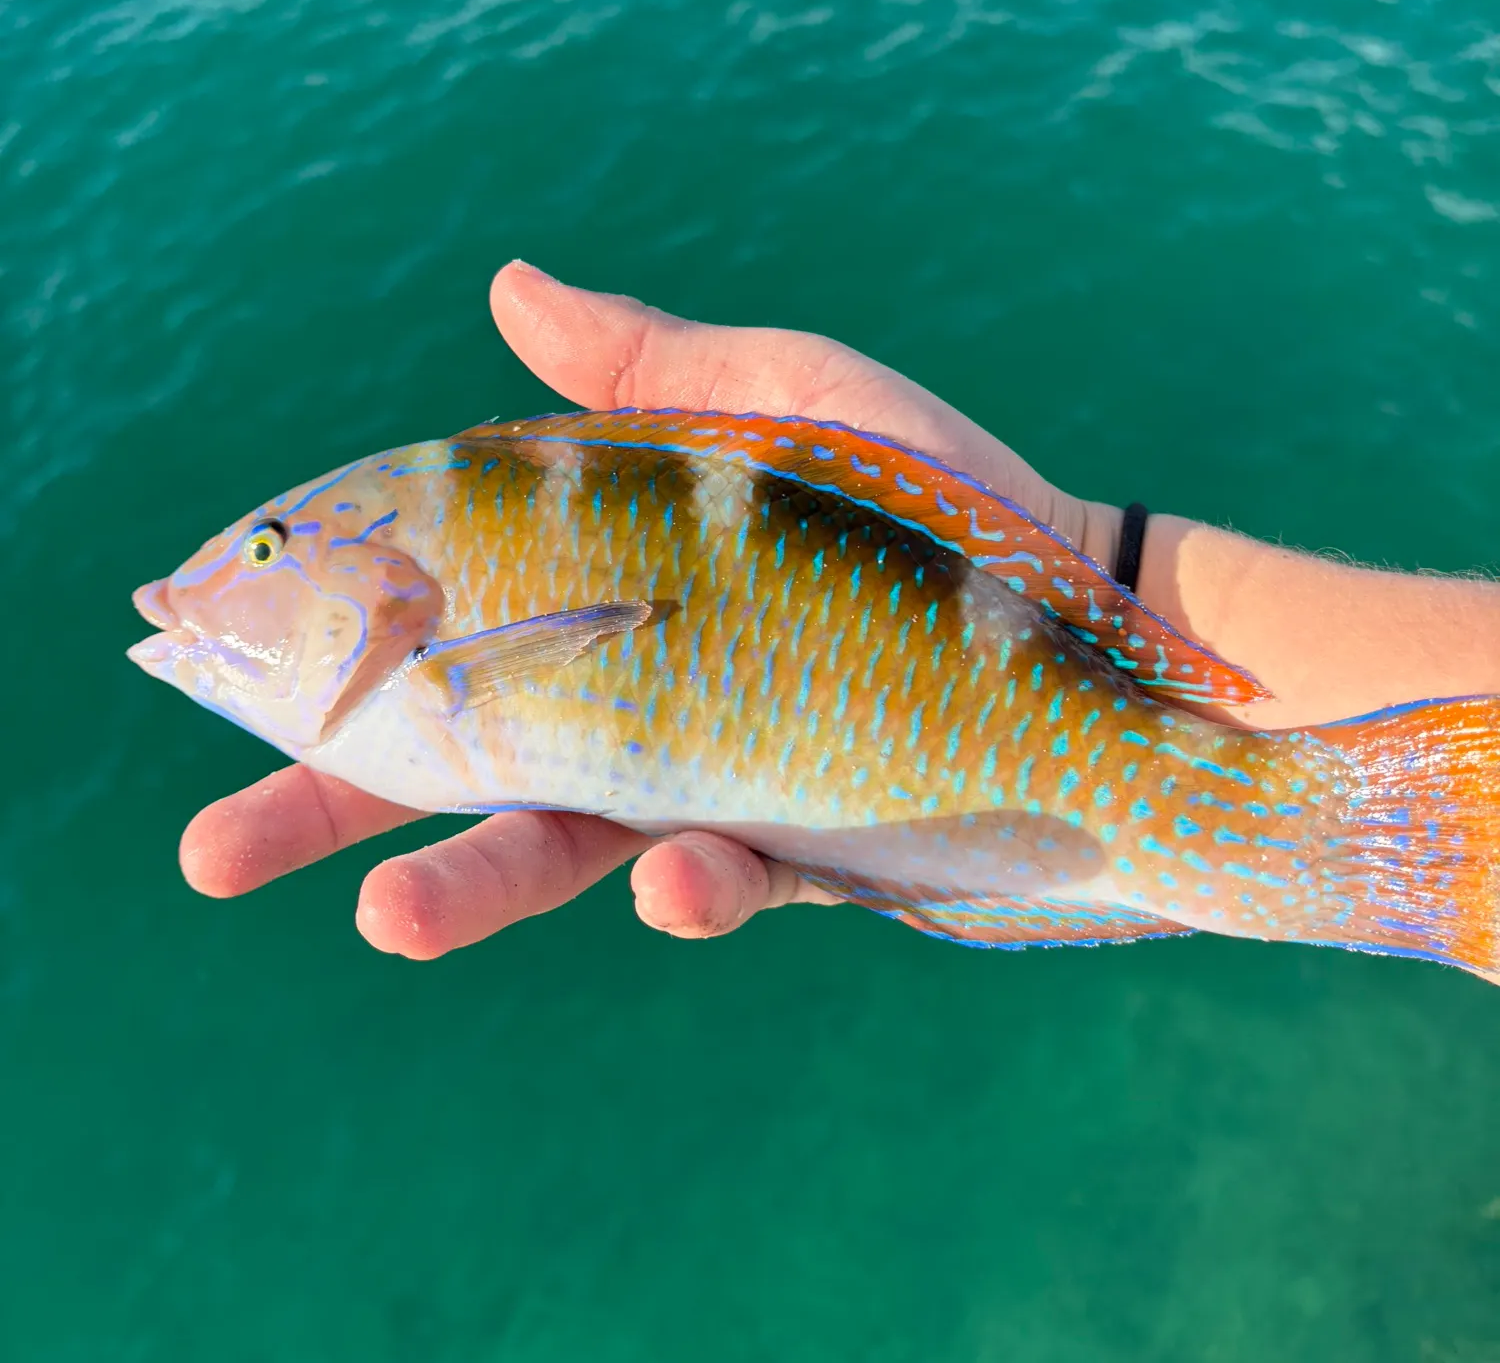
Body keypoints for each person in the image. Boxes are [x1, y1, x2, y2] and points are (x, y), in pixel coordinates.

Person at [179, 261, 1500, 958]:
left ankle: (1336, 836)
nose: (234, 568)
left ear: (377, 582)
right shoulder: (417, 632)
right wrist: (1110, 570)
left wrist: (1100, 567)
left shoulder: (419, 647)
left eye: (275, 540)